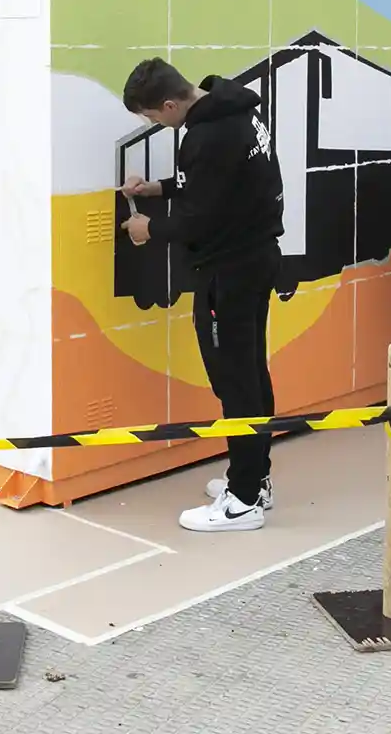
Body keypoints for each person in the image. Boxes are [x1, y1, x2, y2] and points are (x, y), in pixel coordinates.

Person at [119, 58, 284, 533]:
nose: (156, 125)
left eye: (153, 118)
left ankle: (244, 500)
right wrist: (160, 187)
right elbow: (218, 188)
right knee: (251, 371)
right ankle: (254, 478)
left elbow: (199, 218)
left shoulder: (205, 136)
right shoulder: (238, 111)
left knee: (234, 380)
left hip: (227, 271)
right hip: (257, 258)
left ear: (169, 104)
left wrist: (148, 227)